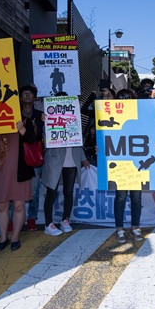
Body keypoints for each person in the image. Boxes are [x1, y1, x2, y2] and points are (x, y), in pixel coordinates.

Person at [42, 92, 90, 236]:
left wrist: (82, 157)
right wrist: (44, 122)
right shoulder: (48, 118)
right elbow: (44, 139)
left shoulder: (74, 118)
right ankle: (48, 223)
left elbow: (79, 141)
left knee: (68, 192)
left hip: (71, 160)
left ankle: (65, 220)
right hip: (54, 160)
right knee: (51, 191)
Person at [0, 118, 36, 252]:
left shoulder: (25, 121)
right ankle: (3, 238)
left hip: (20, 171)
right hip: (0, 171)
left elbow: (33, 139)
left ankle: (15, 238)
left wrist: (22, 130)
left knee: (19, 205)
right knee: (2, 205)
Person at [113, 89, 144, 243]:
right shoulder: (110, 116)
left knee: (136, 198)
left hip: (137, 163)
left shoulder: (139, 116)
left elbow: (148, 134)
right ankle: (119, 229)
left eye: (128, 99)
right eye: (121, 99)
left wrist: (153, 145)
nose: (125, 101)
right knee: (121, 197)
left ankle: (135, 227)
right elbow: (105, 136)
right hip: (120, 164)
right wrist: (100, 146)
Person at [20, 85, 44, 232]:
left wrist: (43, 122)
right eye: (25, 93)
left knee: (33, 191)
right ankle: (12, 219)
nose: (28, 95)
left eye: (31, 93)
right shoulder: (13, 114)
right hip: (18, 158)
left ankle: (31, 218)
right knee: (15, 191)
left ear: (35, 98)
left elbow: (42, 135)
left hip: (34, 157)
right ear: (20, 97)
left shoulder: (40, 115)